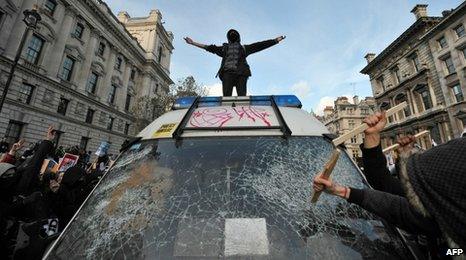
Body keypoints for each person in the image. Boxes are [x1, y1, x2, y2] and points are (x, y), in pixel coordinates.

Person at [313, 111, 466, 250]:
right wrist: (339, 190)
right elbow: (387, 189)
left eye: (427, 186)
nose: (421, 193)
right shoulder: (438, 214)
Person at [184, 29, 285, 96]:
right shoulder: (224, 49)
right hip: (227, 74)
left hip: (241, 74)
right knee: (226, 99)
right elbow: (210, 48)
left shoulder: (244, 48)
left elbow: (260, 45)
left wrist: (275, 41)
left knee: (242, 98)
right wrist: (193, 43)